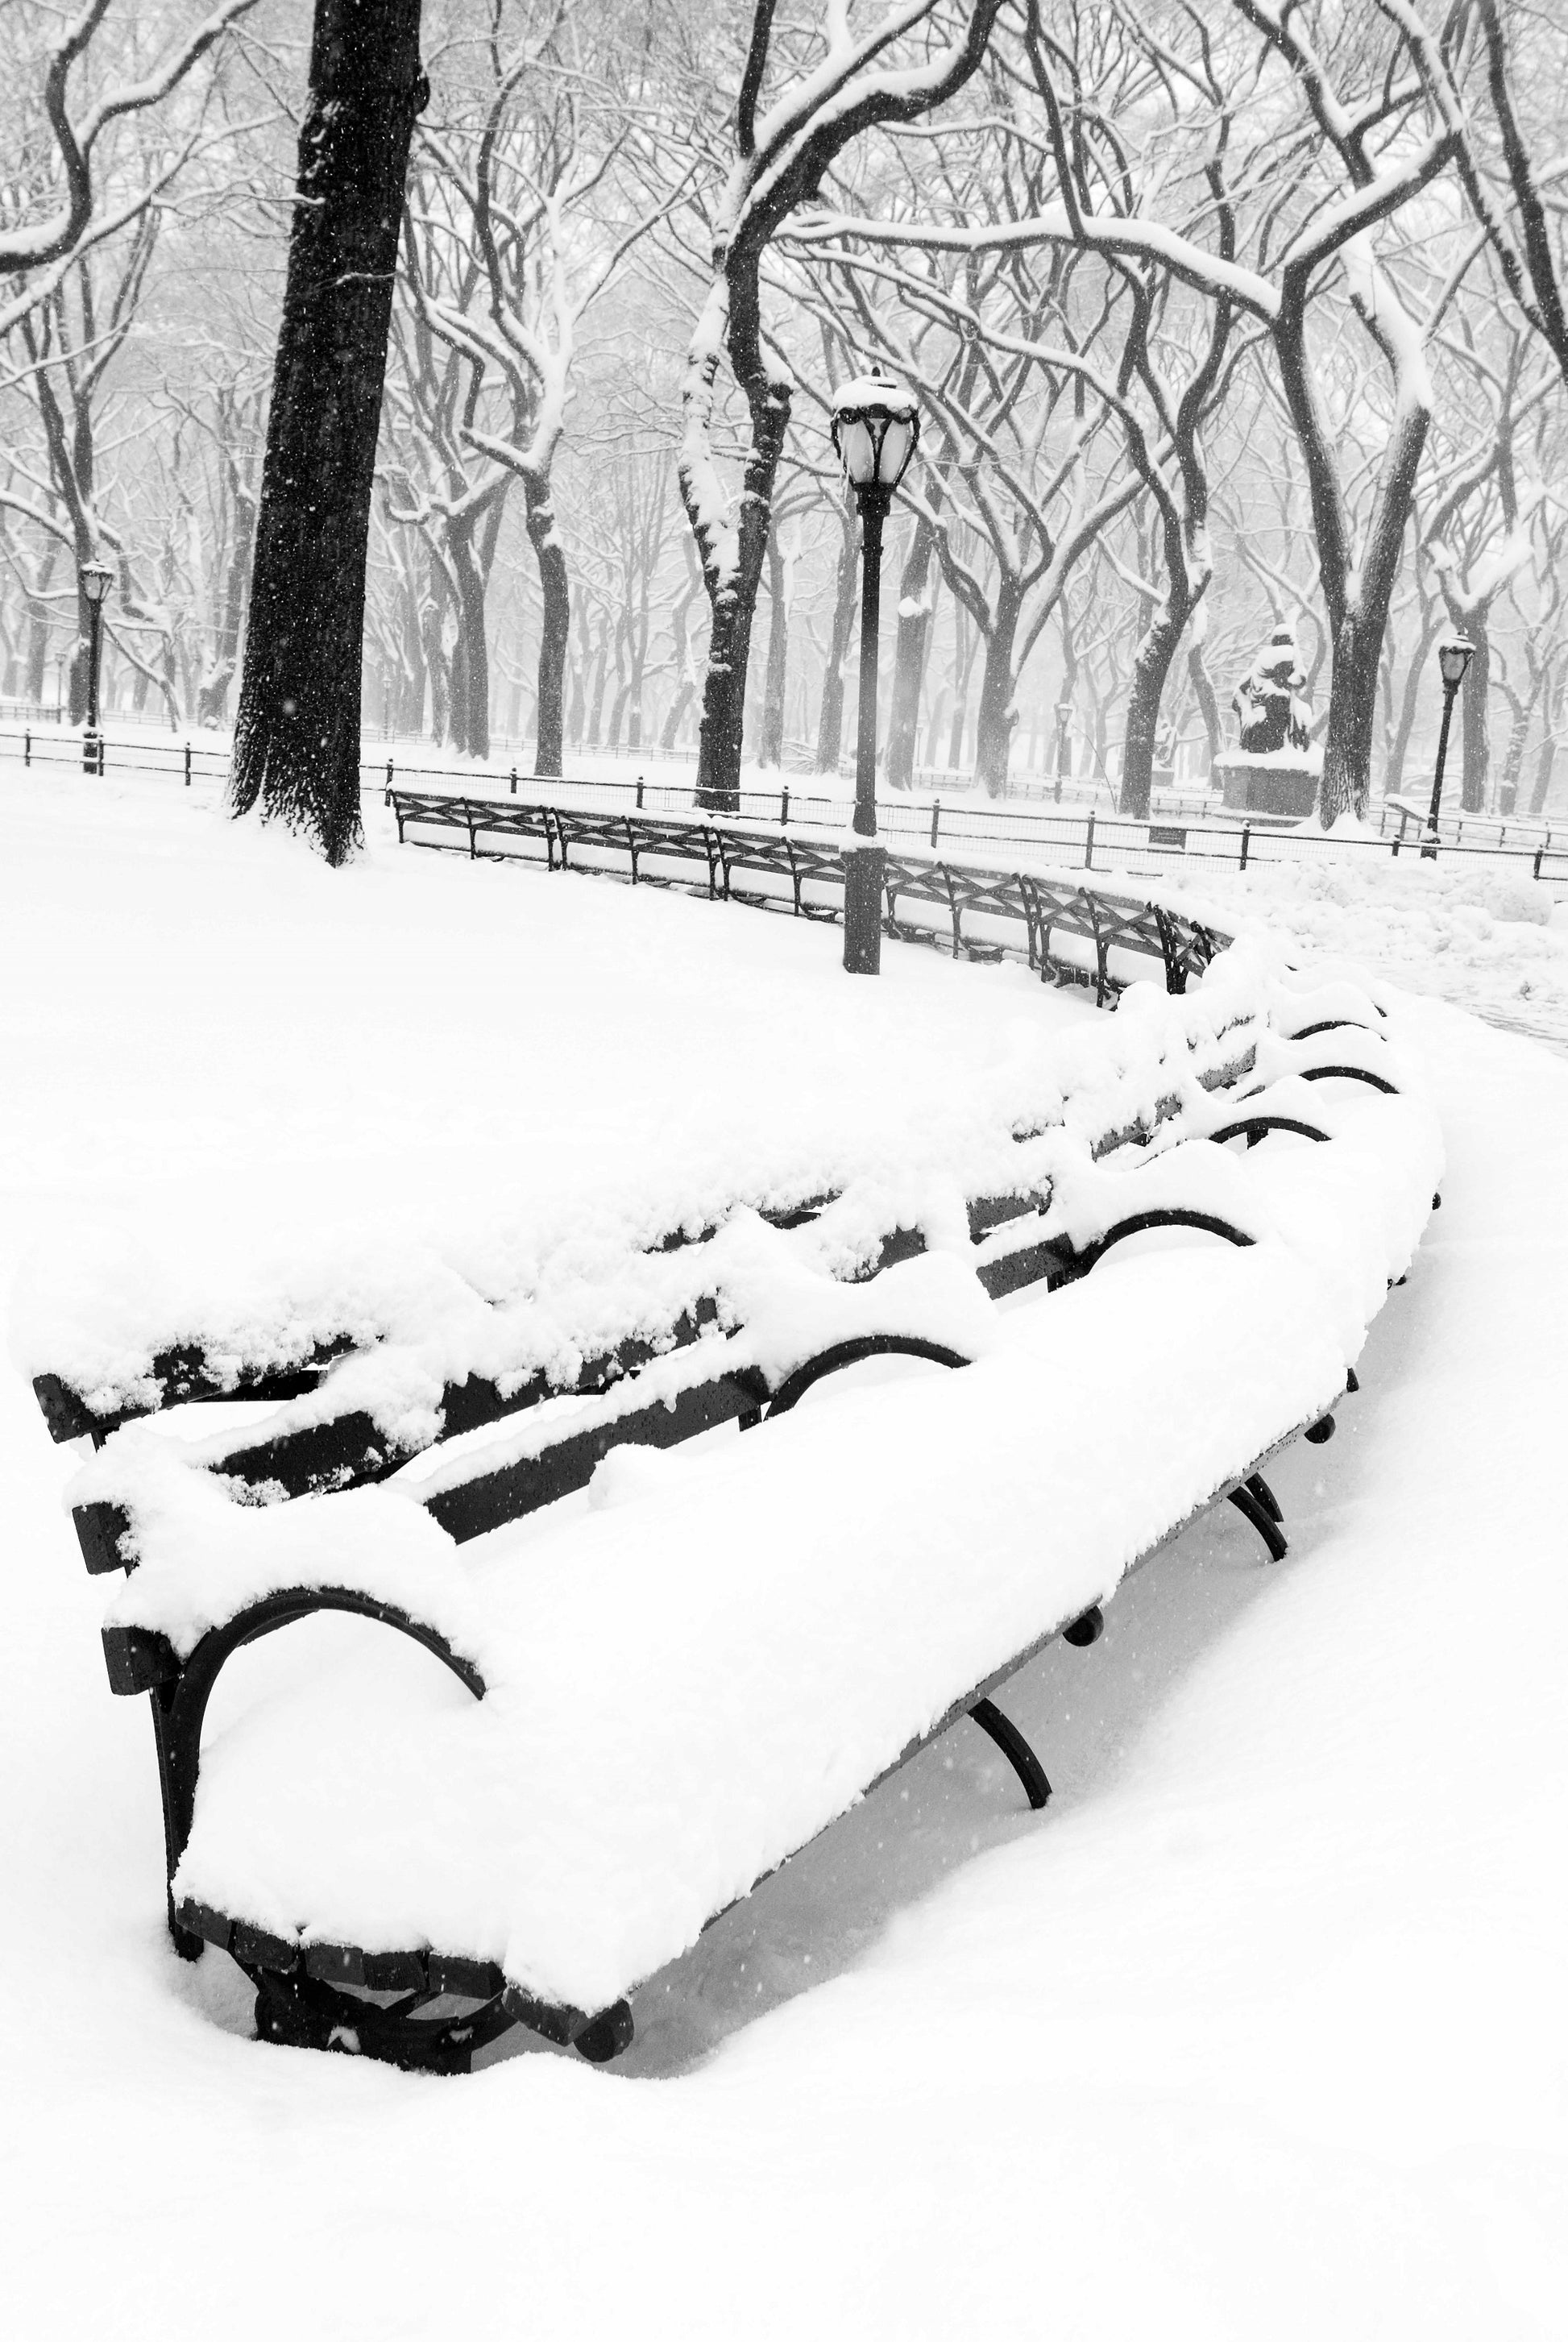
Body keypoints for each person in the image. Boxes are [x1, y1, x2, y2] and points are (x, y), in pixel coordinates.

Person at [1232, 625, 1311, 754]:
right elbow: (1299, 680)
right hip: (1275, 705)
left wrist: (1246, 711)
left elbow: (1240, 688)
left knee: (1301, 711)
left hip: (1260, 708)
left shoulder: (1263, 656)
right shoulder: (1287, 653)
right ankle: (1295, 748)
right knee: (1304, 713)